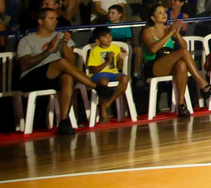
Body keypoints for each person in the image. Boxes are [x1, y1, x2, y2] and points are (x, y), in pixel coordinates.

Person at [17, 7, 98, 135]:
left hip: (54, 77)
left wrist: (64, 45)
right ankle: (96, 87)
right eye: (51, 18)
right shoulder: (27, 40)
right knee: (61, 62)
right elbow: (24, 65)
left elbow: (71, 63)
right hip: (32, 78)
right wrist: (49, 50)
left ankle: (64, 121)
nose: (55, 21)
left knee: (67, 77)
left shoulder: (61, 37)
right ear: (40, 21)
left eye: (56, 18)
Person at [141, 4, 211, 118]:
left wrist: (176, 34)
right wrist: (170, 33)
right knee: (183, 53)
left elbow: (184, 47)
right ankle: (202, 83)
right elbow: (153, 49)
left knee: (181, 64)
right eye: (159, 13)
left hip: (168, 62)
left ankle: (181, 103)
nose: (164, 15)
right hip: (153, 65)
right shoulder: (148, 31)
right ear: (153, 18)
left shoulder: (169, 29)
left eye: (164, 12)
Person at [84, 27, 130, 123]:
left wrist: (121, 59)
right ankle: (103, 112)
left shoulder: (115, 48)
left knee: (125, 79)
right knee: (104, 81)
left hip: (113, 73)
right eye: (105, 36)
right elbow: (94, 70)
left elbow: (119, 67)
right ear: (97, 40)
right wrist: (107, 61)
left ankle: (107, 104)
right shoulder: (95, 51)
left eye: (109, 35)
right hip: (99, 74)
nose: (108, 38)